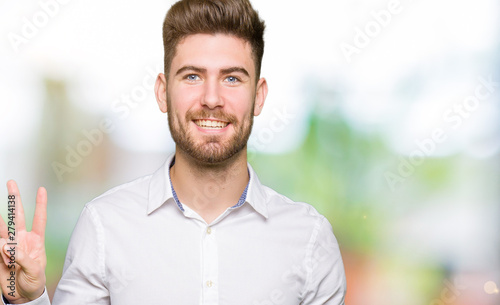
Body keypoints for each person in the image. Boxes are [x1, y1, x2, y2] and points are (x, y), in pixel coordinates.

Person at [0, 0, 347, 304]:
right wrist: (28, 299)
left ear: (258, 96)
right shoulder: (104, 226)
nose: (211, 98)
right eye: (193, 76)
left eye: (232, 79)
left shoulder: (310, 239)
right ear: (163, 92)